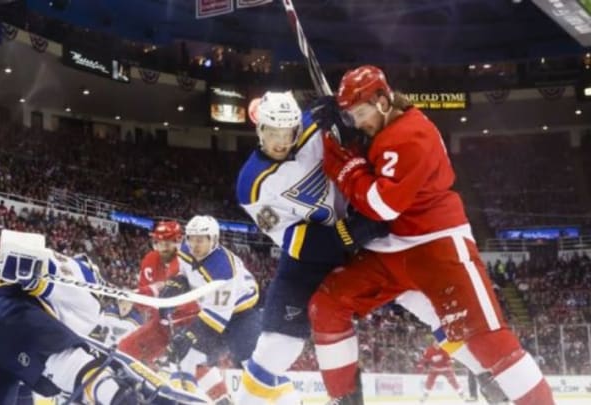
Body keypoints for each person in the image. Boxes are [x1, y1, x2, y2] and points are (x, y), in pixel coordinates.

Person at [308, 65, 554, 405]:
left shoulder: (412, 134)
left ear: (382, 101)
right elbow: (358, 154)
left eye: (361, 113)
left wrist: (343, 162)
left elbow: (381, 205)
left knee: (488, 340)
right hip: (389, 249)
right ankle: (344, 399)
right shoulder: (380, 130)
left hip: (437, 245)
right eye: (353, 117)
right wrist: (332, 130)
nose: (359, 123)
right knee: (327, 303)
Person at [235, 91, 389, 404]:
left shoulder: (314, 124)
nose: (281, 141)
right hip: (313, 258)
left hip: (365, 225)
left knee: (421, 291)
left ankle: (495, 372)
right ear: (259, 130)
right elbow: (297, 242)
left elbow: (367, 141)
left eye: (287, 133)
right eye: (272, 134)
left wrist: (347, 124)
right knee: (278, 344)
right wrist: (351, 234)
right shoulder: (251, 184)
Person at [0, 230, 208, 405]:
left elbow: (24, 266)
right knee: (90, 373)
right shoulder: (83, 278)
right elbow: (44, 265)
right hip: (9, 314)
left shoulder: (80, 305)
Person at [160, 215, 262, 404]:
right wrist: (177, 282)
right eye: (191, 238)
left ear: (213, 240)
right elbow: (187, 272)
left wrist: (188, 336)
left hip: (241, 318)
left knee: (257, 370)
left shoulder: (223, 271)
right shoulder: (184, 249)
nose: (194, 245)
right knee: (186, 359)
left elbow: (215, 319)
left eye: (200, 240)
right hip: (214, 313)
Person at [119, 220, 198, 364]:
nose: (162, 248)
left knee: (194, 368)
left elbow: (168, 288)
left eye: (167, 243)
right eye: (158, 243)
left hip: (190, 325)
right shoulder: (150, 259)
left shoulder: (187, 260)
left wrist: (134, 296)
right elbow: (144, 303)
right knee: (125, 350)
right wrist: (135, 302)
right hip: (161, 325)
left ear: (178, 242)